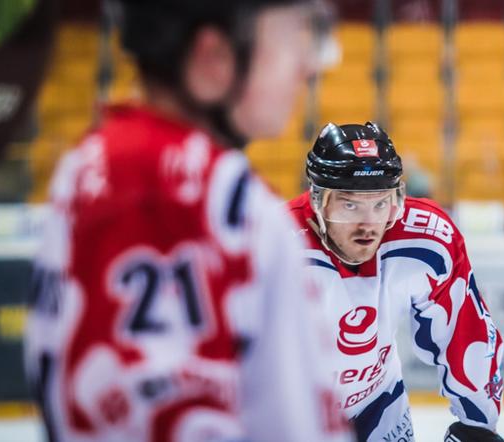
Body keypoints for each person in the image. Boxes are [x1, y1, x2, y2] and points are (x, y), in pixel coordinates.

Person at [24, 1, 351, 441]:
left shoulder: (81, 168)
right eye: (293, 33)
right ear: (213, 59)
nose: (310, 65)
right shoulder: (231, 204)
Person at [288, 122, 504, 442]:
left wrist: (476, 425)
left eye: (380, 203)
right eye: (349, 205)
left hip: (378, 405)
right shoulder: (276, 243)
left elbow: (464, 331)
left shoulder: (427, 238)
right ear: (319, 200)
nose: (367, 225)